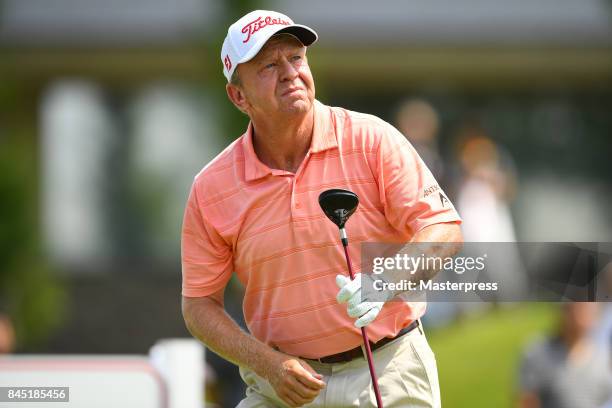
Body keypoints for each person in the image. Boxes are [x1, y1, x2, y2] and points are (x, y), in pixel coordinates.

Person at [181, 10, 462, 407]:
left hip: (386, 368)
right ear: (238, 96)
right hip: (281, 385)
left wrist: (384, 282)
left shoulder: (371, 140)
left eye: (296, 58)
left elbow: (444, 228)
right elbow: (198, 304)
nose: (290, 73)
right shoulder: (212, 188)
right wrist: (267, 364)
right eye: (268, 66)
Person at [518, 302, 612, 408]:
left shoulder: (604, 357)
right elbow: (528, 401)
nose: (584, 313)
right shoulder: (538, 353)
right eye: (579, 307)